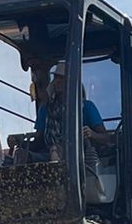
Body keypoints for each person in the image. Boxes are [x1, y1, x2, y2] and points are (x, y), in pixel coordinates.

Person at [41, 61, 110, 203]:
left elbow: (106, 138)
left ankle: (62, 193)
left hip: (79, 154)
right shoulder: (46, 109)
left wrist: (91, 134)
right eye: (56, 78)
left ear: (71, 81)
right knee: (22, 155)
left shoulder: (86, 107)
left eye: (62, 78)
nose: (58, 81)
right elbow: (37, 139)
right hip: (50, 151)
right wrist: (19, 141)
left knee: (55, 150)